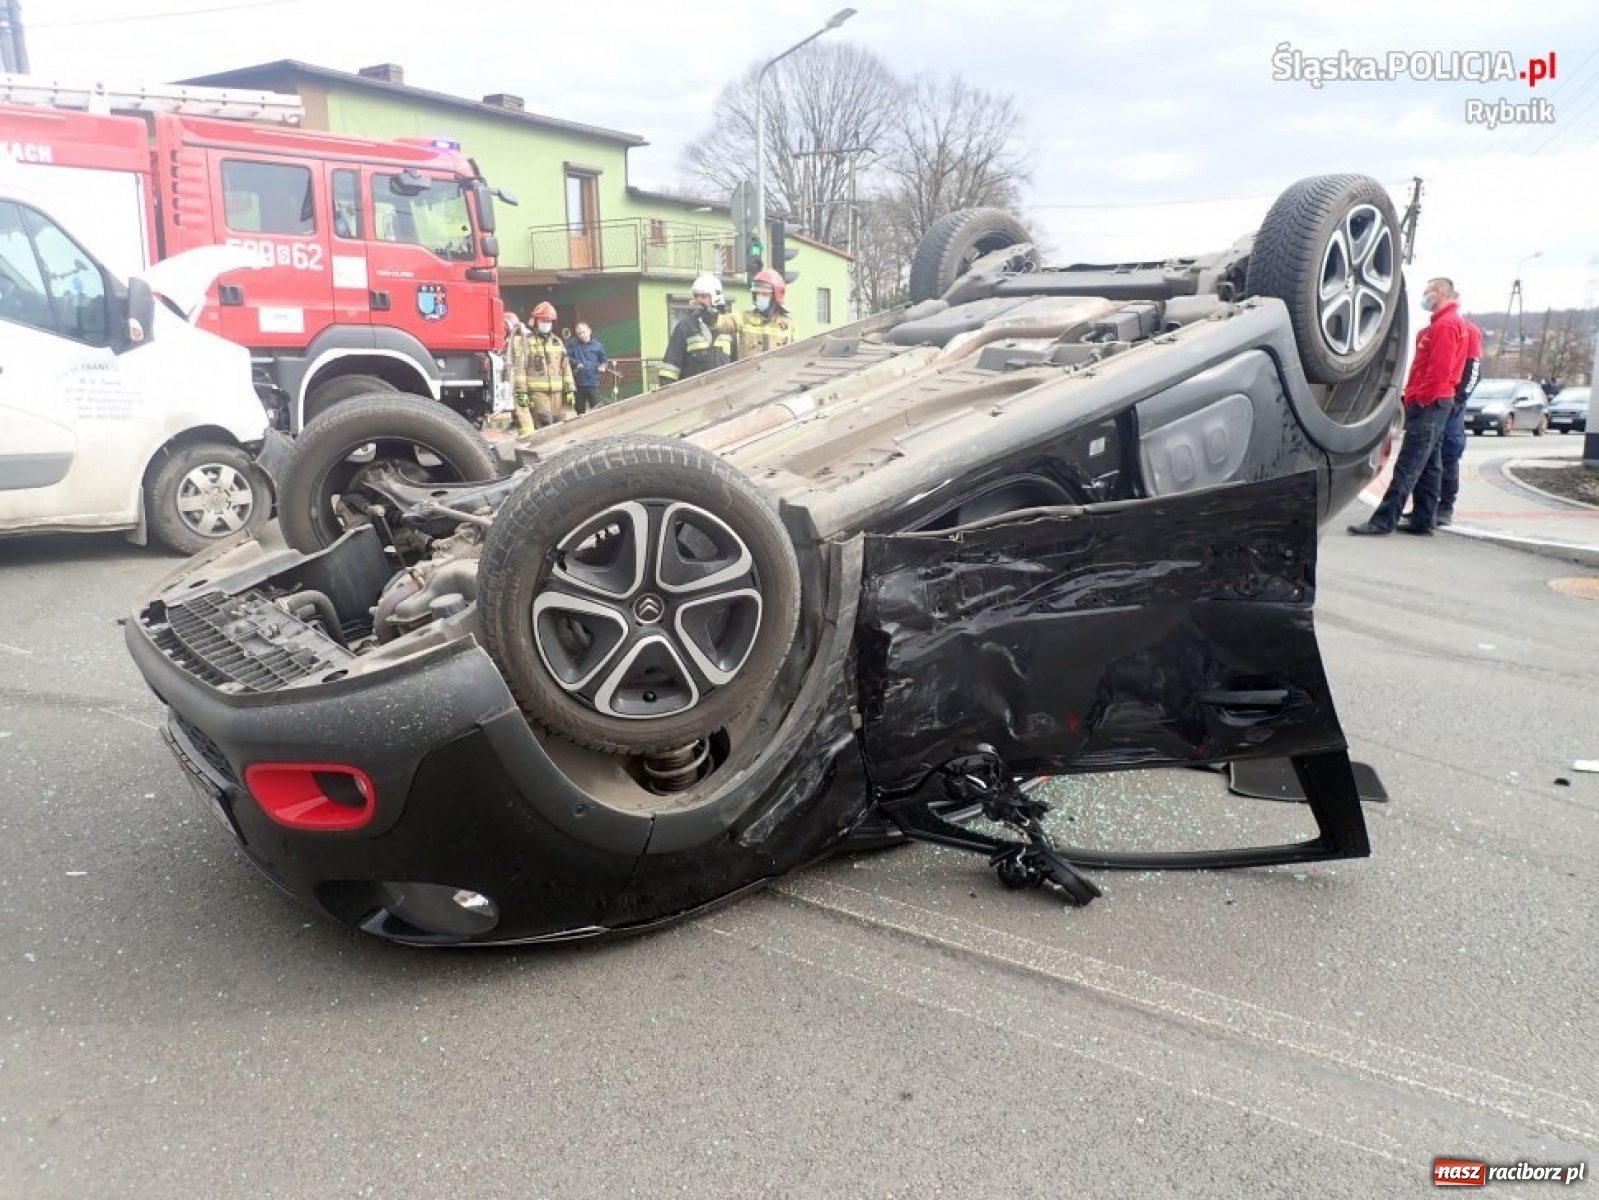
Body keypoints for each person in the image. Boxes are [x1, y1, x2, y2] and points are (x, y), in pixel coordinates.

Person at [1348, 277, 1469, 537]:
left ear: (1440, 293)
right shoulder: (1441, 325)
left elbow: (1439, 370)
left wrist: (1420, 398)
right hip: (1435, 402)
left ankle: (1383, 521)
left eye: (1428, 292)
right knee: (1429, 464)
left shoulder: (1446, 326)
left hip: (1430, 403)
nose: (1425, 297)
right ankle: (1423, 519)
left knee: (1409, 464)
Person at [1432, 315, 1482, 527]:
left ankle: (1445, 507)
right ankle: (1425, 504)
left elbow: (1473, 372)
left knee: (1449, 454)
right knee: (1429, 455)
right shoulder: (1436, 328)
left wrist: (1457, 400)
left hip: (1452, 402)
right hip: (1434, 401)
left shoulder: (1468, 331)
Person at [657, 274, 733, 386]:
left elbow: (738, 365)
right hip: (694, 396)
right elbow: (669, 371)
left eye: (703, 296)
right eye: (696, 296)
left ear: (716, 297)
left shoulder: (729, 327)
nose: (698, 300)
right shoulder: (685, 328)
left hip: (723, 395)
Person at [515, 300, 575, 433]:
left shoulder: (557, 342)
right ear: (536, 321)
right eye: (543, 320)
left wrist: (570, 389)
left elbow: (566, 368)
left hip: (558, 394)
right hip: (538, 394)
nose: (546, 324)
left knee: (559, 423)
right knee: (545, 422)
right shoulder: (527, 342)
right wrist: (521, 391)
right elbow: (520, 369)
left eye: (549, 321)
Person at [728, 268, 798, 359]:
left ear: (775, 298)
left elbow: (796, 355)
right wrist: (712, 317)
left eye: (764, 294)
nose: (759, 298)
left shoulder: (789, 325)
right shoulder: (744, 317)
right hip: (751, 372)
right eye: (757, 294)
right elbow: (724, 322)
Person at [565, 322, 609, 416]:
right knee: (579, 410)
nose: (581, 335)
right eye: (579, 333)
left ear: (589, 331)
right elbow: (567, 358)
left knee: (596, 409)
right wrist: (576, 363)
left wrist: (603, 366)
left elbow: (604, 361)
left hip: (593, 382)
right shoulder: (572, 344)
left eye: (583, 332)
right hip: (578, 383)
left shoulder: (598, 345)